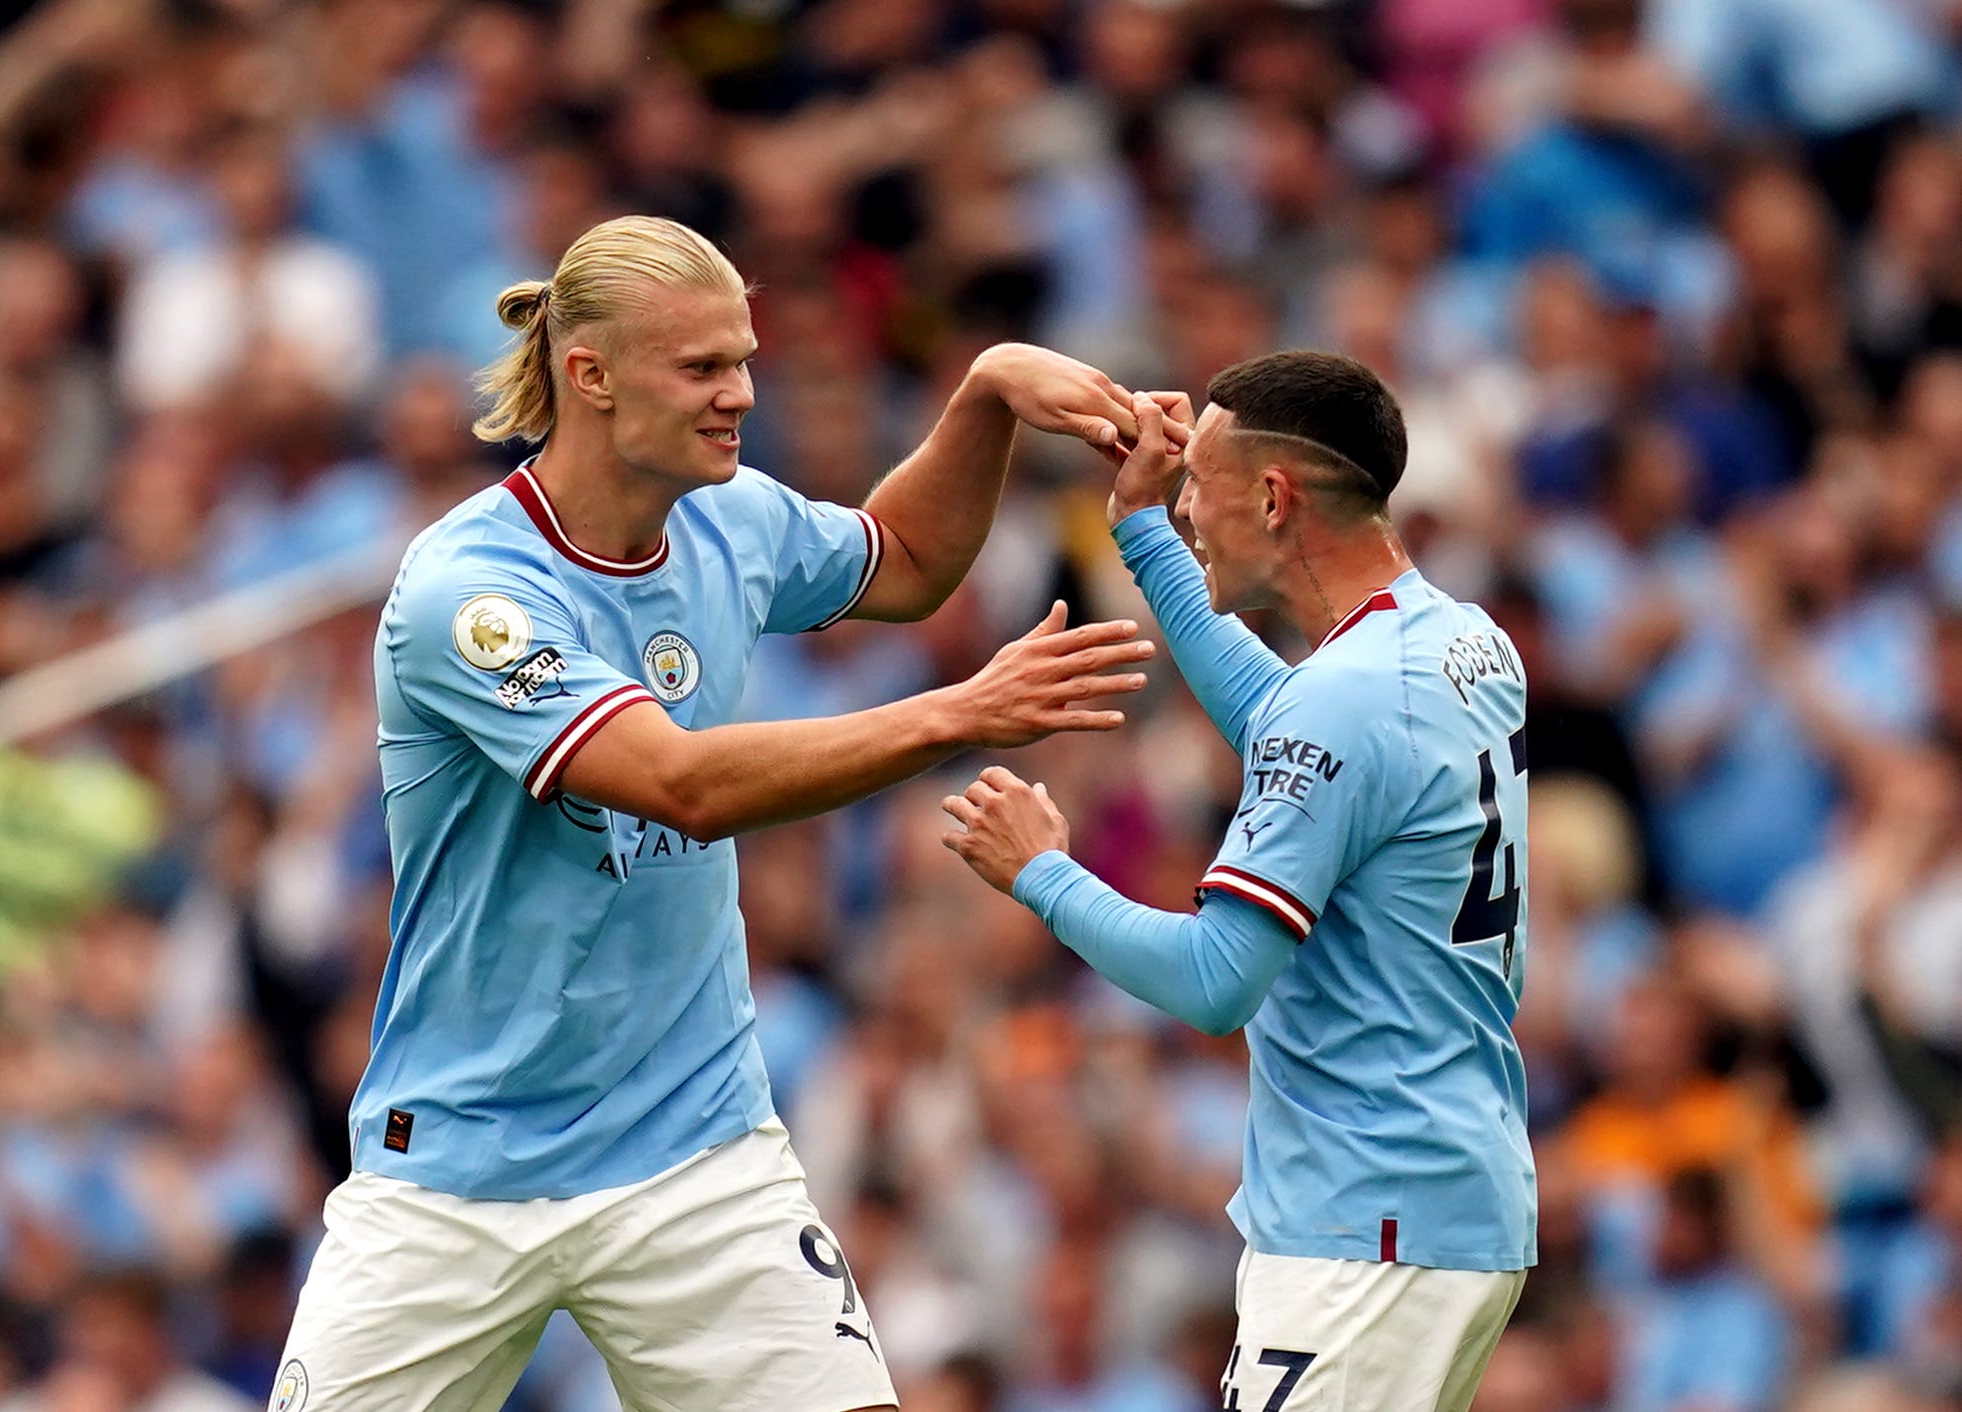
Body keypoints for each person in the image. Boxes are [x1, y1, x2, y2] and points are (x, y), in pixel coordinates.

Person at [273, 214, 1153, 1412]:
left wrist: (987, 392)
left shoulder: (727, 515)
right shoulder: (468, 595)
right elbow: (680, 786)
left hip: (694, 1144)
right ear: (590, 375)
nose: (742, 392)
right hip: (464, 1166)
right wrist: (957, 712)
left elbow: (900, 560)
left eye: (744, 358)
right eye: (703, 367)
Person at [940, 351, 1536, 1412]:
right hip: (1447, 1196)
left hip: (1367, 1225)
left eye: (1198, 483)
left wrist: (1041, 871)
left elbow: (1218, 978)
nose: (1188, 504)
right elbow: (1290, 726)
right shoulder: (1460, 640)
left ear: (1273, 495)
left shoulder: (1348, 699)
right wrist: (1143, 534)